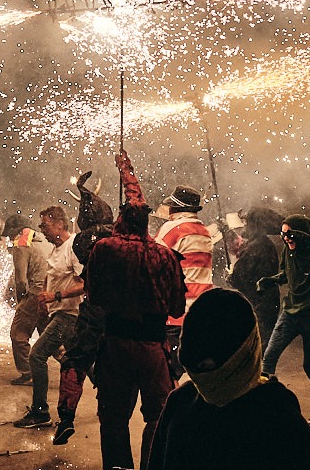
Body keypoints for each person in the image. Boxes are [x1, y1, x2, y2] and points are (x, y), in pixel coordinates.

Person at [85, 151, 186, 470]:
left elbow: (94, 297)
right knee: (158, 416)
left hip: (115, 345)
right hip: (153, 347)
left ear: (120, 220)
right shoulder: (166, 256)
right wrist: (125, 169)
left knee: (113, 420)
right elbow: (176, 306)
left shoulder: (104, 249)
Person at [146, 288, 310, 470]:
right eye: (200, 368)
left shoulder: (180, 404)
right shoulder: (283, 420)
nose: (206, 380)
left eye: (211, 367)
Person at [257, 214, 310, 425]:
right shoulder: (287, 251)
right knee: (269, 357)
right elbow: (285, 274)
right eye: (283, 235)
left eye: (290, 234)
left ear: (302, 233)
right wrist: (269, 281)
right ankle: (261, 404)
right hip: (290, 312)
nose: (286, 238)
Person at [53, 170, 113, 445]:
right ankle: (109, 410)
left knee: (74, 360)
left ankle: (66, 419)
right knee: (111, 367)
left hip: (92, 311)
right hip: (121, 313)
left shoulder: (81, 240)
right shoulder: (119, 237)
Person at [13, 206, 83, 430]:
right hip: (57, 312)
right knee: (78, 359)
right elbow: (49, 276)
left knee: (37, 355)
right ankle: (108, 392)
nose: (42, 230)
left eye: (46, 225)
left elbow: (84, 283)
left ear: (60, 224)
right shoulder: (55, 248)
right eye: (41, 225)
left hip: (69, 315)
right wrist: (44, 302)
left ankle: (40, 412)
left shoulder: (73, 247)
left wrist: (56, 295)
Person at [153, 184, 212, 379]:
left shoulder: (172, 228)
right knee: (196, 371)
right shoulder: (204, 231)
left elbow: (153, 259)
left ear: (176, 208)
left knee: (170, 373)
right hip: (201, 312)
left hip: (177, 313)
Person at [4, 213, 51, 386]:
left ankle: (28, 373)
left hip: (34, 294)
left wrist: (20, 302)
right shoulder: (45, 242)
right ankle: (77, 370)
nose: (9, 239)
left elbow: (21, 280)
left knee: (18, 335)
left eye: (9, 235)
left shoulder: (21, 245)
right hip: (50, 294)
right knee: (50, 339)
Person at [226, 207, 283, 349]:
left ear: (254, 224)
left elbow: (240, 278)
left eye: (246, 222)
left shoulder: (256, 247)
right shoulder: (265, 244)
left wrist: (231, 276)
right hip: (267, 303)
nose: (244, 225)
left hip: (258, 305)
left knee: (256, 348)